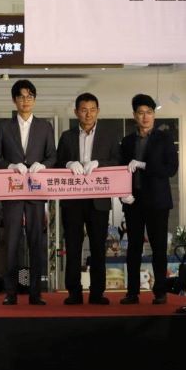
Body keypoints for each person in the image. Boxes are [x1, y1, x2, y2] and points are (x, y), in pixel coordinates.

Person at [0, 79, 57, 306]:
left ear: (34, 100)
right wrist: (10, 165)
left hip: (36, 193)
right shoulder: (3, 127)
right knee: (11, 243)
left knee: (36, 243)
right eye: (21, 97)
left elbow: (53, 156)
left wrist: (43, 165)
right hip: (13, 192)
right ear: (14, 100)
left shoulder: (45, 127)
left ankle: (36, 293)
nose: (25, 101)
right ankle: (11, 293)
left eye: (29, 96)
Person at [56, 92, 121, 305]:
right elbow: (56, 163)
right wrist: (68, 164)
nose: (88, 114)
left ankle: (97, 293)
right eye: (84, 110)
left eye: (92, 110)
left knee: (98, 248)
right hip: (72, 200)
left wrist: (99, 163)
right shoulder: (66, 136)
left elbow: (117, 161)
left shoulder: (109, 135)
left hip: (98, 201)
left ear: (98, 111)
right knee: (73, 246)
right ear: (76, 112)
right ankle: (73, 292)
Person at [119, 93, 178, 305]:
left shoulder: (164, 138)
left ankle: (160, 291)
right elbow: (120, 171)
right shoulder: (127, 141)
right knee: (133, 248)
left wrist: (144, 165)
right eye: (141, 113)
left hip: (158, 202)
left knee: (158, 247)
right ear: (134, 115)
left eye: (149, 112)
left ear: (154, 115)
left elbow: (171, 169)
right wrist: (122, 194)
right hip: (133, 201)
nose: (145, 117)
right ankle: (132, 292)